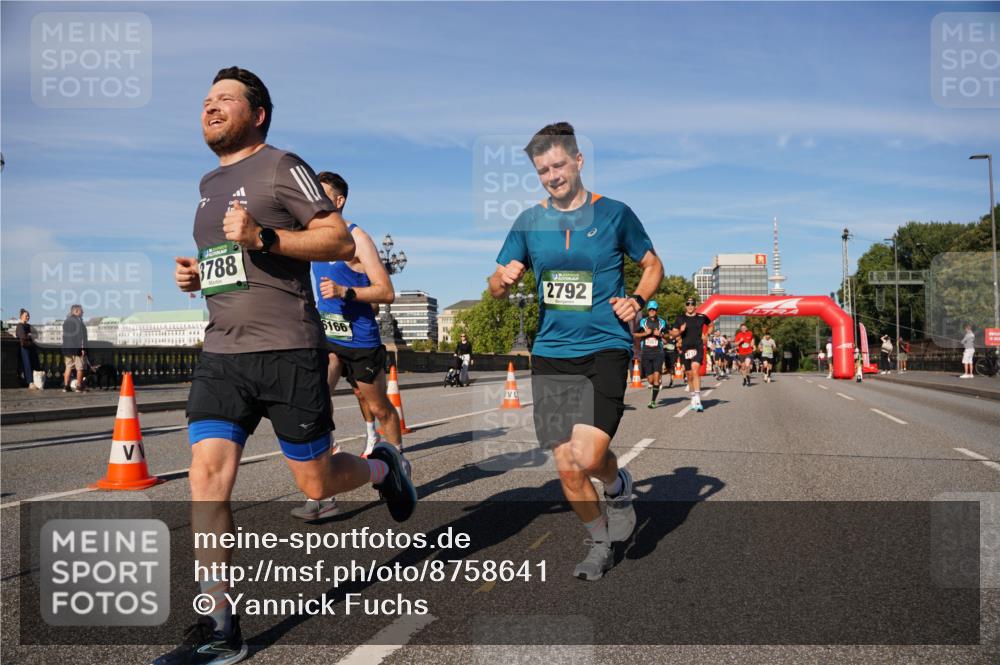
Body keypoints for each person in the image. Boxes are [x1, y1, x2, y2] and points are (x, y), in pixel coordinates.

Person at [158, 67, 416, 665]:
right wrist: (197, 276)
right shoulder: (207, 183)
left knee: (316, 482)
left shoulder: (283, 166)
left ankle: (384, 467)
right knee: (206, 477)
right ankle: (220, 625)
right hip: (222, 351)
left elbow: (337, 241)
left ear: (258, 114)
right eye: (207, 100)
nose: (211, 107)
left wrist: (265, 237)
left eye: (226, 99)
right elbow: (230, 263)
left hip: (288, 350)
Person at [488, 121, 663, 581]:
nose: (553, 176)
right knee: (566, 465)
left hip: (605, 346)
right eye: (543, 170)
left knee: (587, 456)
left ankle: (617, 484)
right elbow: (496, 285)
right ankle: (599, 542)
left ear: (579, 161)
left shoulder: (615, 214)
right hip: (551, 351)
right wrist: (502, 281)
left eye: (559, 165)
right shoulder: (529, 222)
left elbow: (652, 264)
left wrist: (637, 300)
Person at [291, 171, 403, 521]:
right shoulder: (310, 235)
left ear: (338, 201)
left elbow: (386, 292)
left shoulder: (357, 239)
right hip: (326, 338)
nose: (313, 200)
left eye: (321, 194)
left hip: (360, 341)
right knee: (314, 406)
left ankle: (398, 466)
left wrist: (345, 292)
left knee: (380, 407)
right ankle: (322, 493)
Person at [670, 297, 712, 411]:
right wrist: (680, 331)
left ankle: (698, 399)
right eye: (688, 304)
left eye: (692, 304)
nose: (690, 306)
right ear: (685, 306)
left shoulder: (701, 317)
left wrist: (707, 334)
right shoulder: (680, 318)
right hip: (685, 349)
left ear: (695, 306)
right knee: (689, 375)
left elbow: (711, 324)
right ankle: (693, 396)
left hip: (698, 347)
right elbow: (673, 334)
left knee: (695, 369)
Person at [634, 301, 666, 408]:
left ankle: (652, 401)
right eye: (650, 309)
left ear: (657, 310)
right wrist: (645, 333)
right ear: (648, 310)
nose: (652, 311)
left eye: (654, 309)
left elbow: (669, 336)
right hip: (646, 353)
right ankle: (655, 385)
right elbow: (634, 334)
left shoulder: (662, 322)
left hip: (658, 353)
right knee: (650, 380)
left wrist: (660, 335)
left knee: (656, 378)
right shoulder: (642, 322)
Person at [61, 304, 88, 392]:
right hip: (77, 349)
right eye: (81, 310)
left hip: (67, 348)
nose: (83, 312)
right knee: (80, 368)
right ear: (76, 311)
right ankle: (79, 386)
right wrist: (83, 349)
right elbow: (81, 337)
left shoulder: (66, 321)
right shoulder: (78, 322)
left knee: (68, 367)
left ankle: (66, 386)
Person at [15, 309, 40, 390]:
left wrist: (29, 335)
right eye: (26, 316)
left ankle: (34, 381)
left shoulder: (29, 326)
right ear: (21, 316)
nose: (28, 317)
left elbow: (36, 334)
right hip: (24, 348)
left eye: (28, 316)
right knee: (27, 364)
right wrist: (30, 335)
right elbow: (23, 336)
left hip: (30, 347)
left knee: (33, 364)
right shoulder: (20, 326)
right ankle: (30, 382)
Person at [734, 322, 755, 386]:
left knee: (747, 365)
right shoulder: (738, 335)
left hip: (749, 352)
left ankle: (748, 376)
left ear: (746, 328)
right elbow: (735, 344)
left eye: (744, 328)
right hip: (741, 353)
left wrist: (752, 344)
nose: (743, 329)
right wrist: (740, 341)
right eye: (742, 328)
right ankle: (744, 379)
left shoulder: (750, 333)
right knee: (743, 367)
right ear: (740, 329)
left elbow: (753, 339)